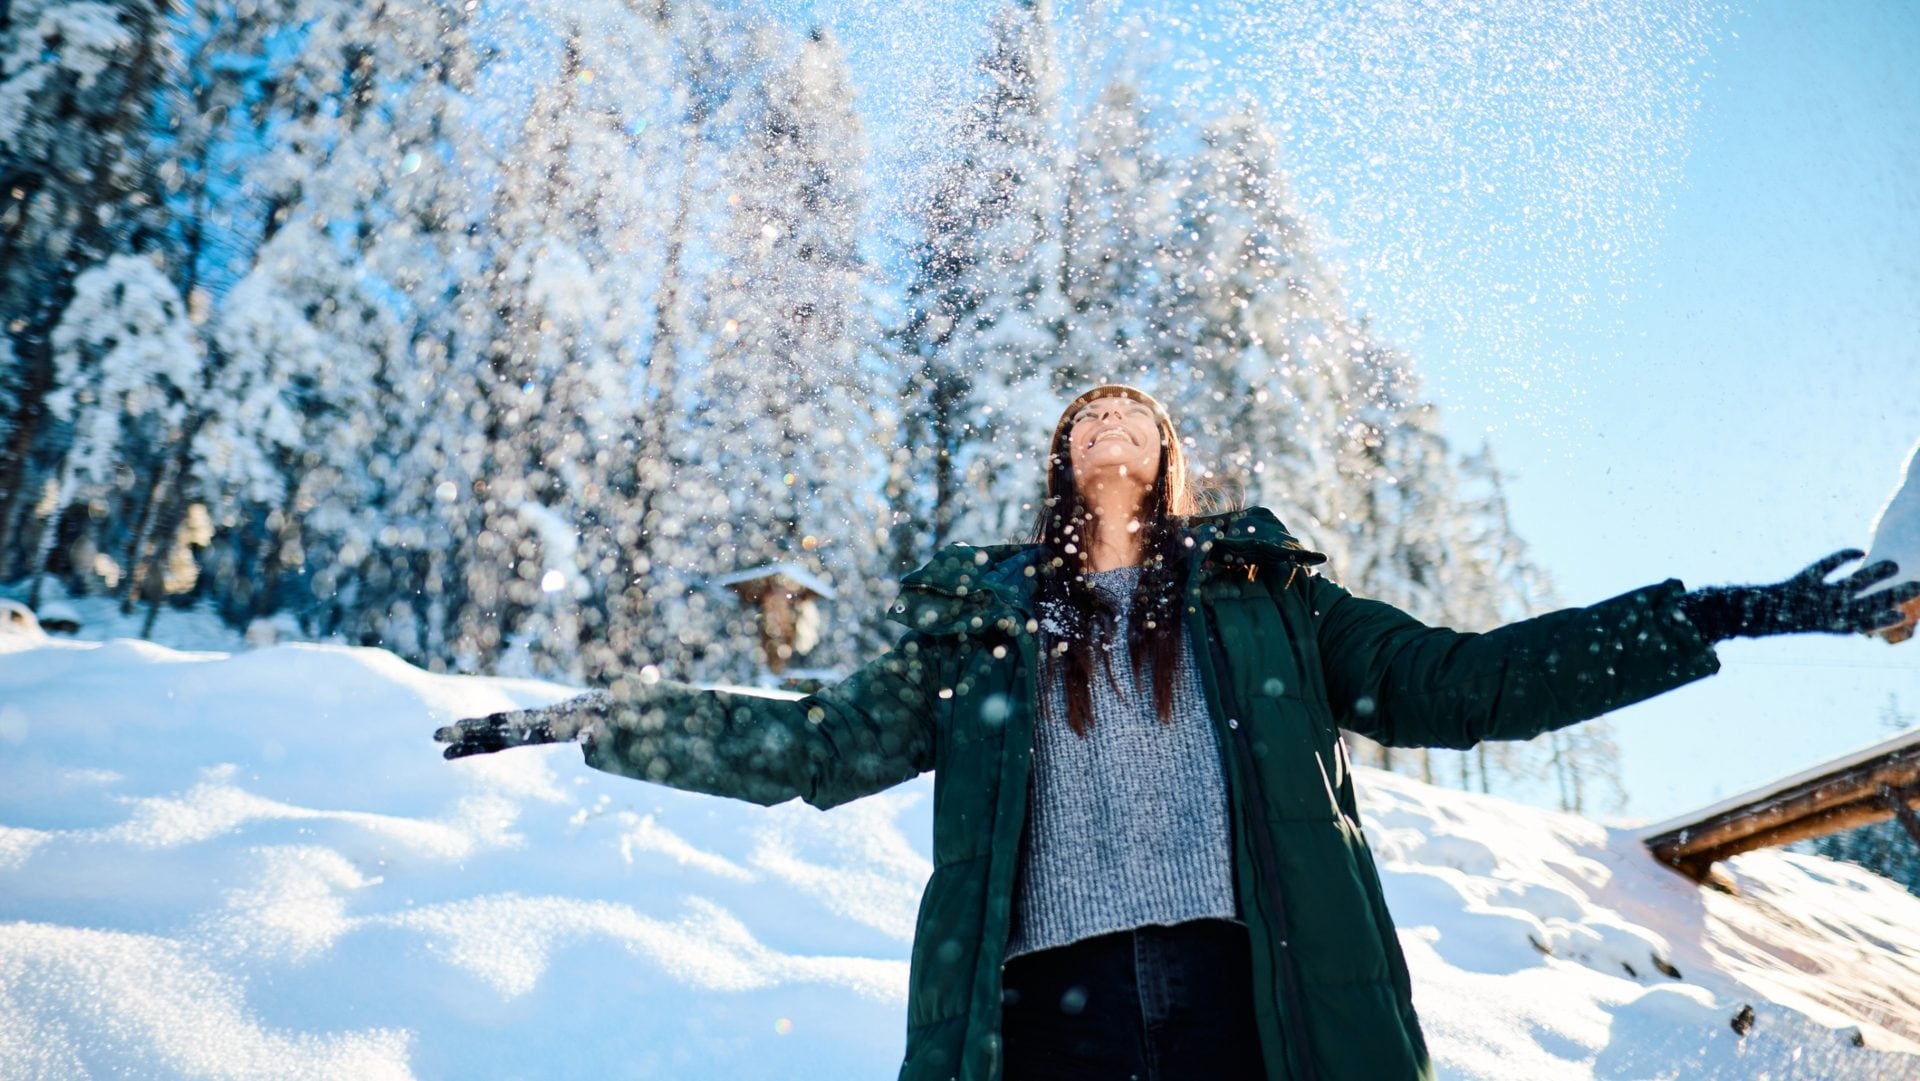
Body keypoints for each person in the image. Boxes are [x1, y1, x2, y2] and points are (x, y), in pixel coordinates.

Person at [435, 384, 1918, 1081]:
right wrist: (618, 720)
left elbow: (1474, 683)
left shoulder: (1271, 606)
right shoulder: (989, 629)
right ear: (1061, 461)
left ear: (1169, 458)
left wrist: (1725, 610)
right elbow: (820, 741)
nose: (1109, 415)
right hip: (1046, 1016)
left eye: (1134, 407)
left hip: (1244, 997)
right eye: (1085, 408)